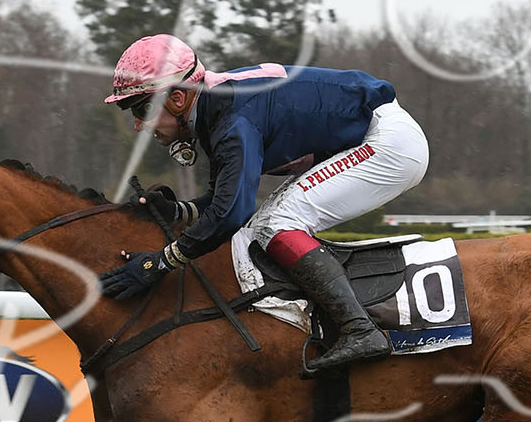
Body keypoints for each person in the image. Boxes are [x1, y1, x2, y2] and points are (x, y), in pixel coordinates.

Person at [98, 33, 429, 373]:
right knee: (262, 227)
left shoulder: (231, 119)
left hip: (389, 143)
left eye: (142, 109)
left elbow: (231, 213)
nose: (138, 125)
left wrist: (162, 262)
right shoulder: (217, 108)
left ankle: (359, 329)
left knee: (276, 223)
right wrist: (178, 211)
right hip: (375, 136)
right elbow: (223, 201)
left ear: (178, 99)